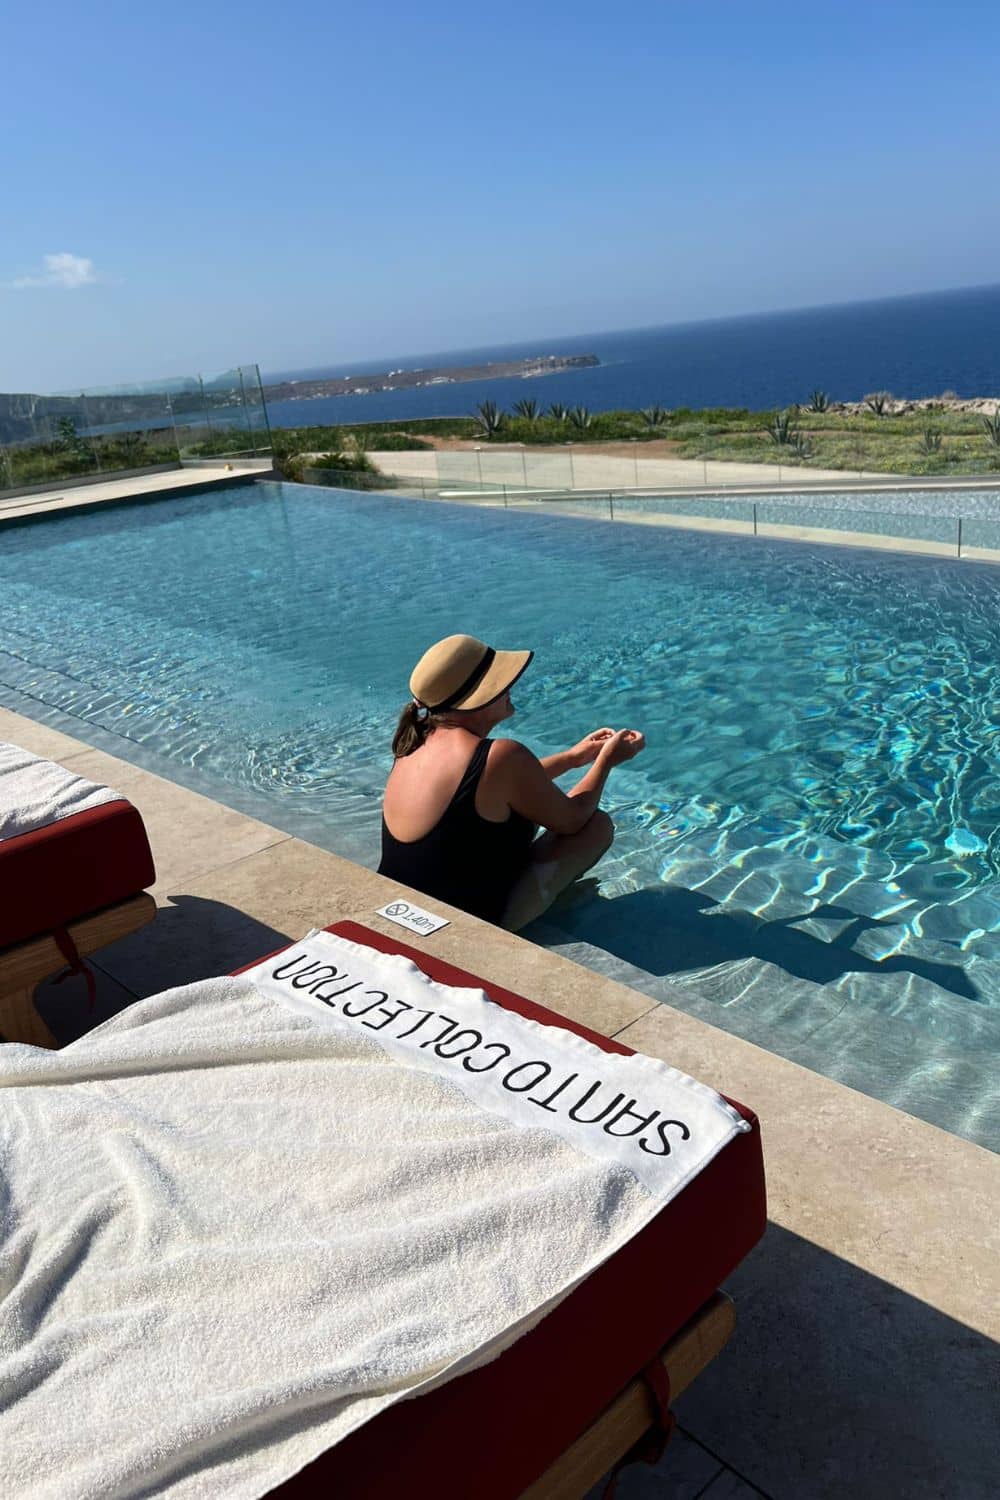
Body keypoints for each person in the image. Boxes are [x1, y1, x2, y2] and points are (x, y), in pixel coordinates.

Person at [378, 634, 645, 931]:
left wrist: (573, 757)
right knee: (596, 827)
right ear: (479, 698)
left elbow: (493, 786)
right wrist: (606, 762)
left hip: (399, 907)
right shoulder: (503, 755)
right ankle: (527, 917)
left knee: (513, 810)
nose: (509, 688)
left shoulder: (415, 742)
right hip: (461, 926)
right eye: (500, 682)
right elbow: (573, 819)